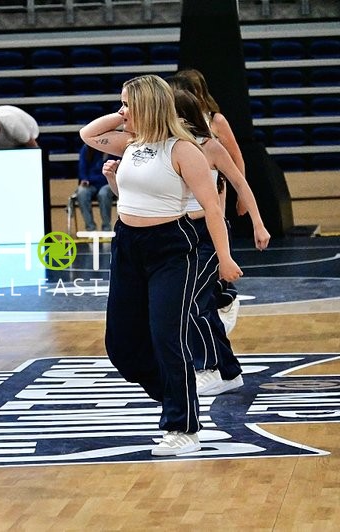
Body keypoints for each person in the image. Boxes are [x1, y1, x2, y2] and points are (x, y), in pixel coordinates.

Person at [80, 74, 242, 457]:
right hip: (128, 245)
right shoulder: (132, 143)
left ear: (149, 106)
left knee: (167, 337)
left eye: (127, 104)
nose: (121, 111)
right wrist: (124, 114)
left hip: (172, 247)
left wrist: (224, 258)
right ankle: (177, 394)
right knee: (120, 344)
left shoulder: (184, 150)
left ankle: (183, 426)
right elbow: (88, 133)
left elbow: (213, 210)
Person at [172, 89, 270, 395]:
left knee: (191, 303)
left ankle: (208, 368)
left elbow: (240, 182)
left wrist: (258, 223)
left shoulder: (209, 146)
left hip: (208, 232)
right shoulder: (170, 148)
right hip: (179, 232)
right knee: (198, 304)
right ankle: (229, 372)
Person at [169, 69, 248, 333]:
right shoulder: (174, 131)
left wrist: (243, 198)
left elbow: (236, 160)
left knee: (209, 266)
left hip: (214, 201)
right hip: (184, 212)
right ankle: (220, 300)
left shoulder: (215, 121)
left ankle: (223, 300)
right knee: (194, 276)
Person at [77, 144, 116, 232]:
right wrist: (84, 179)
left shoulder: (114, 147)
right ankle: (90, 229)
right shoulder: (87, 148)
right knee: (81, 192)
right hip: (91, 183)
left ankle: (107, 228)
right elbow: (82, 167)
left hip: (108, 183)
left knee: (103, 193)